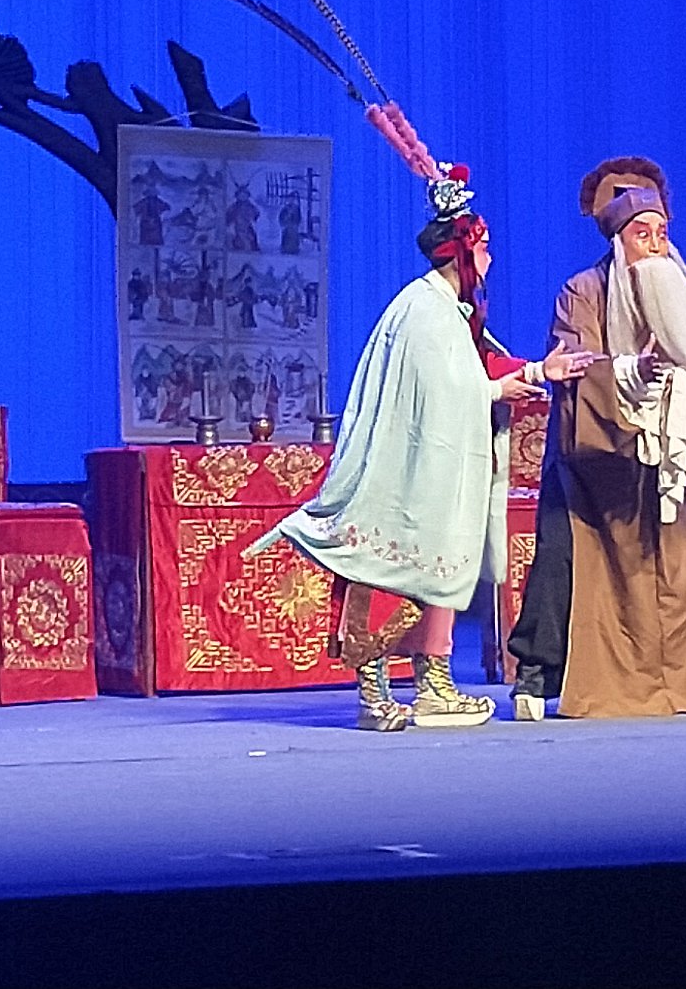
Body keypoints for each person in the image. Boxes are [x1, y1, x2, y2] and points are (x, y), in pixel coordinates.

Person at [251, 164, 593, 730]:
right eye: (484, 249)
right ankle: (374, 695)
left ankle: (434, 686)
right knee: (388, 569)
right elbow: (447, 389)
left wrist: (537, 371)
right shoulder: (423, 311)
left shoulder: (449, 311)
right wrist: (498, 389)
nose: (490, 260)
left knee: (438, 566)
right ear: (461, 254)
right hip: (406, 468)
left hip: (435, 467)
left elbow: (476, 367)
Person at [507, 157, 686, 721]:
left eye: (661, 233)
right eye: (643, 234)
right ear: (620, 241)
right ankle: (536, 676)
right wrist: (630, 371)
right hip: (592, 465)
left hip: (654, 466)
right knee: (563, 561)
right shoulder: (583, 291)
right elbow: (574, 363)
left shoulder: (674, 294)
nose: (655, 245)